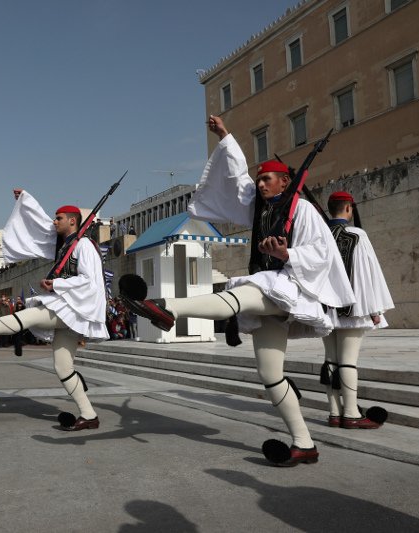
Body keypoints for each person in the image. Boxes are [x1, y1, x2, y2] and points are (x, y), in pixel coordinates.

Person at [120, 115, 355, 465]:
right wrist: (226, 137)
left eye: (267, 179)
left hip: (287, 286)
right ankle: (304, 443)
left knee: (237, 296)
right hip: (269, 295)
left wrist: (285, 252)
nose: (260, 184)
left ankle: (163, 306)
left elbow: (322, 253)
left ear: (284, 181)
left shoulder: (302, 209)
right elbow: (236, 177)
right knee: (270, 373)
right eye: (260, 179)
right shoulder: (259, 208)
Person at [0, 189, 108, 431]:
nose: (54, 221)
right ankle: (89, 415)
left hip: (76, 308)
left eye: (59, 218)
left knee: (28, 316)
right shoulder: (66, 246)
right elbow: (40, 226)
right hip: (70, 309)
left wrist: (57, 283)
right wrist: (26, 200)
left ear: (72, 221)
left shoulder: (84, 246)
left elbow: (90, 281)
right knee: (63, 367)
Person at [321, 191, 394, 429]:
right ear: (348, 209)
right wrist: (374, 308)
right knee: (348, 362)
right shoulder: (357, 234)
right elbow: (367, 274)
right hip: (351, 309)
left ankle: (334, 412)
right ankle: (351, 413)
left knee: (330, 361)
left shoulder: (320, 235)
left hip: (325, 310)